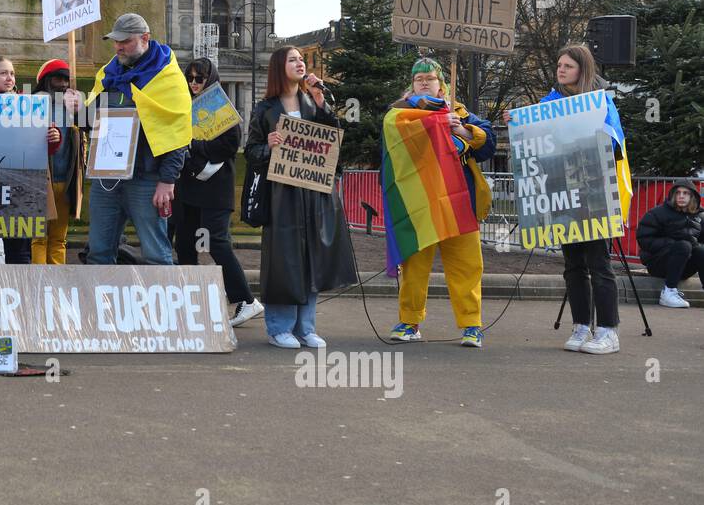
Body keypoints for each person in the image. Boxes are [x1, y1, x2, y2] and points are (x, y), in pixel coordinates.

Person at [245, 46, 356, 347]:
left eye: (301, 59)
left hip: (314, 194)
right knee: (285, 261)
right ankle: (279, 326)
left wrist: (323, 105)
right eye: (293, 59)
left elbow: (332, 143)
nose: (300, 63)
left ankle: (305, 326)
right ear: (279, 67)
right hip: (283, 197)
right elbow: (251, 152)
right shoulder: (265, 108)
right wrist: (269, 146)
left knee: (312, 259)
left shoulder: (313, 102)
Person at [382, 57, 495, 348]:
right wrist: (432, 125)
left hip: (460, 204)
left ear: (442, 86)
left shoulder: (460, 113)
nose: (423, 82)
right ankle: (409, 322)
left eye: (429, 79)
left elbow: (489, 145)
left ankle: (471, 326)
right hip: (421, 205)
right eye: (418, 79)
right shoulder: (401, 113)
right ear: (411, 85)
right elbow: (393, 138)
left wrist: (461, 131)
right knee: (414, 266)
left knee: (467, 266)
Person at [531, 45, 632, 353]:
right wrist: (517, 121)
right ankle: (580, 327)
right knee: (573, 265)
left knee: (600, 264)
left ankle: (608, 331)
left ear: (582, 70)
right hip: (564, 193)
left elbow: (615, 145)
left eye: (568, 66)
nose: (561, 70)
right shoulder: (548, 104)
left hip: (597, 192)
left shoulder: (600, 101)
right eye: (559, 65)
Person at [78, 13, 190, 266]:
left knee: (156, 255)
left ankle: (162, 307)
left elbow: (177, 132)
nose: (118, 47)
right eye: (116, 41)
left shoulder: (168, 77)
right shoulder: (109, 74)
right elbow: (89, 124)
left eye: (125, 41)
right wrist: (77, 109)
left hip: (147, 178)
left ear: (145, 39)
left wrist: (167, 180)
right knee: (98, 253)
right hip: (106, 177)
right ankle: (101, 305)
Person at [176, 57, 264, 327]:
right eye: (189, 77)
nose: (193, 83)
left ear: (210, 79)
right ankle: (192, 301)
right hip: (188, 184)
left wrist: (195, 146)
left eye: (199, 78)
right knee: (184, 243)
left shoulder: (221, 107)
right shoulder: (183, 105)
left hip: (214, 187)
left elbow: (230, 144)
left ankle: (246, 300)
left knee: (216, 241)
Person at [0, 56, 61, 265]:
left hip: (18, 195)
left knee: (19, 256)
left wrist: (53, 137)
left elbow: (42, 148)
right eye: (3, 73)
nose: (9, 78)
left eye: (12, 73)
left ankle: (18, 296)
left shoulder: (29, 105)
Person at [32, 59, 84, 264]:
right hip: (41, 180)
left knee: (59, 239)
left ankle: (56, 284)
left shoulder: (74, 107)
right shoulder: (34, 105)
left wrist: (80, 110)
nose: (63, 84)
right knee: (39, 238)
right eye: (57, 79)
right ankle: (38, 283)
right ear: (46, 80)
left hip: (66, 180)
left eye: (66, 79)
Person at [637, 179, 704, 308]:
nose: (681, 196)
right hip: (658, 264)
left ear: (692, 196)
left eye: (685, 193)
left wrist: (694, 245)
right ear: (673, 195)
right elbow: (644, 239)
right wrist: (672, 243)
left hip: (684, 266)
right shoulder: (657, 213)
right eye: (678, 193)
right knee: (683, 245)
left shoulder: (700, 216)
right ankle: (668, 292)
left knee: (700, 250)